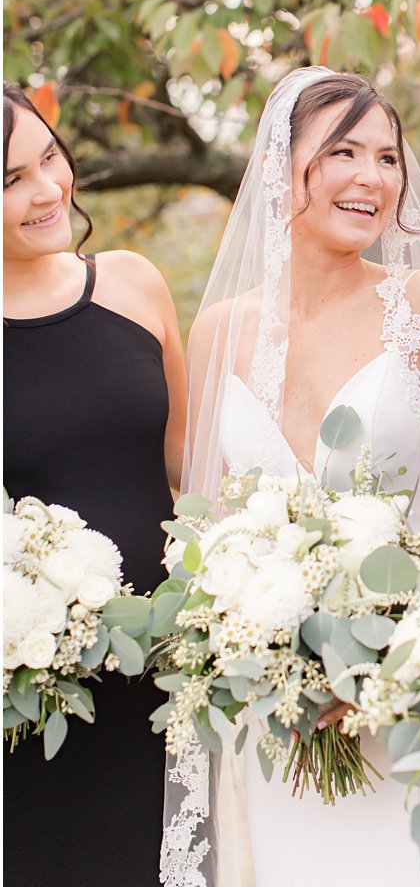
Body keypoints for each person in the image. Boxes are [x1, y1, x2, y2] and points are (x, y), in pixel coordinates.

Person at [162, 68, 420, 886]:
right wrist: (272, 650)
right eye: (343, 152)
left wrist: (394, 648)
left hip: (413, 697)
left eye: (389, 157)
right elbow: (214, 523)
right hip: (287, 718)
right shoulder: (220, 327)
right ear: (278, 166)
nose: (373, 177)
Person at [3, 82, 187, 886]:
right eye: (11, 179)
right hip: (29, 708)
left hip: (160, 686)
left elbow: (192, 472)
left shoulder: (133, 282)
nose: (48, 190)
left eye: (50, 158)